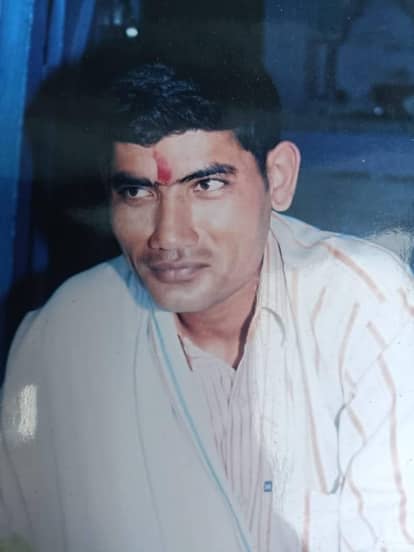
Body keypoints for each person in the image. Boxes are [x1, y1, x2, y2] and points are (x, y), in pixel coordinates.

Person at [1, 59, 414, 552]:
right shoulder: (67, 332)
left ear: (279, 177)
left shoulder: (364, 307)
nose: (169, 237)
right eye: (137, 191)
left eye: (207, 185)